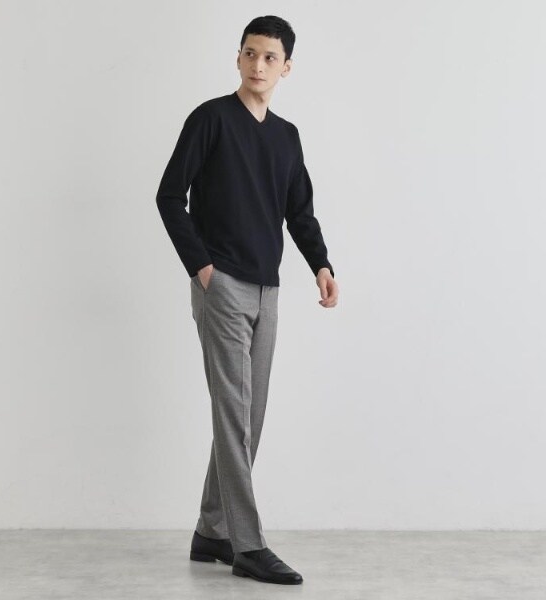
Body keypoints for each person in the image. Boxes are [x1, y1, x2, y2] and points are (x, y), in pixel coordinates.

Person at [155, 15, 339, 585]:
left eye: (270, 57)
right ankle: (247, 544)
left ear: (286, 68)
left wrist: (321, 264)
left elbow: (298, 211)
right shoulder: (210, 119)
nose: (258, 65)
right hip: (222, 285)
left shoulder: (286, 137)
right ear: (238, 57)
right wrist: (204, 270)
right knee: (234, 414)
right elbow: (169, 196)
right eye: (250, 53)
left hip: (268, 287)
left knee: (249, 416)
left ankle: (211, 529)